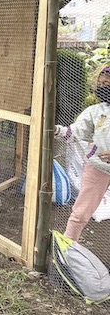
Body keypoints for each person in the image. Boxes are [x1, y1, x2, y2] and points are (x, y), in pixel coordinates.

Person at [54, 66, 110, 242]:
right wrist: (56, 130)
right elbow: (76, 132)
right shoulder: (95, 111)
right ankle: (68, 245)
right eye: (100, 84)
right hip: (98, 166)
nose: (102, 87)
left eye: (107, 83)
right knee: (81, 211)